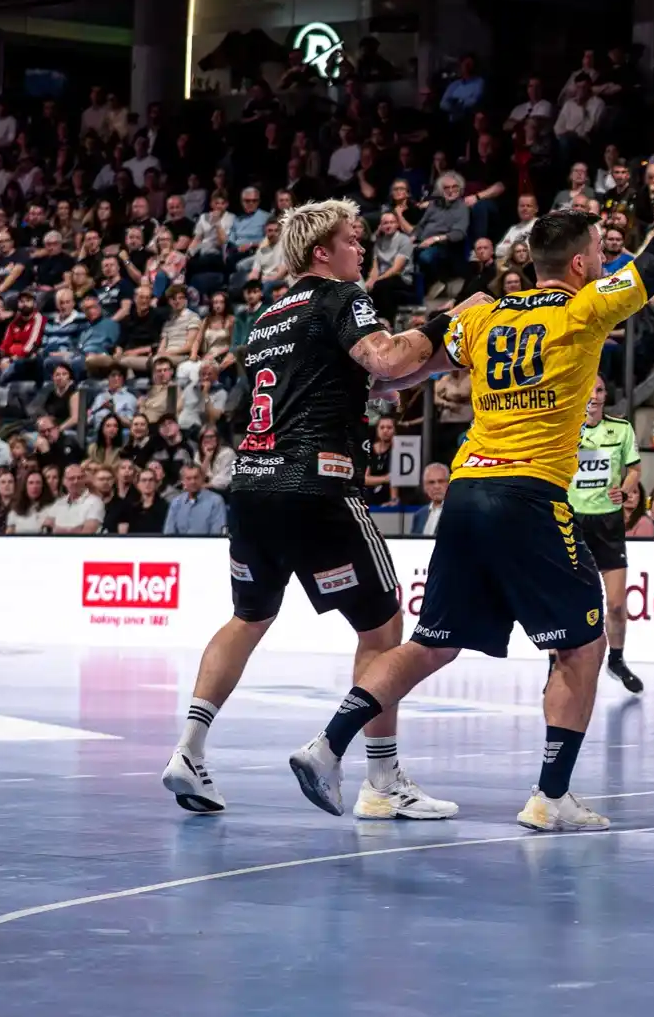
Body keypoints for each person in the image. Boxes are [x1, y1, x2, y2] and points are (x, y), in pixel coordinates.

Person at [290, 121, 654, 833]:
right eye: (599, 254)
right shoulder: (585, 308)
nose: (605, 262)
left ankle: (327, 745)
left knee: (431, 642)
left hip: (467, 491)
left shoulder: (483, 316)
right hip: (529, 495)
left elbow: (401, 372)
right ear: (579, 264)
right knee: (583, 644)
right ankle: (550, 797)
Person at [161, 200, 466, 819]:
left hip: (251, 486)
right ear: (321, 253)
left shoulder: (267, 317)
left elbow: (374, 381)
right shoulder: (342, 297)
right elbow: (385, 359)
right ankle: (381, 780)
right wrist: (445, 322)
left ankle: (188, 749)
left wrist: (448, 356)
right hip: (317, 486)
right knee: (382, 628)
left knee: (249, 617)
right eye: (353, 239)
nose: (363, 249)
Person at [568, 373, 644, 694]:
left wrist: (624, 491)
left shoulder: (621, 429)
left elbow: (635, 470)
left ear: (605, 395)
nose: (594, 396)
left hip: (608, 523)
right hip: (572, 521)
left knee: (615, 603)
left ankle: (616, 659)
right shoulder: (565, 427)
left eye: (599, 390)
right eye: (589, 390)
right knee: (565, 599)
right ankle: (555, 663)